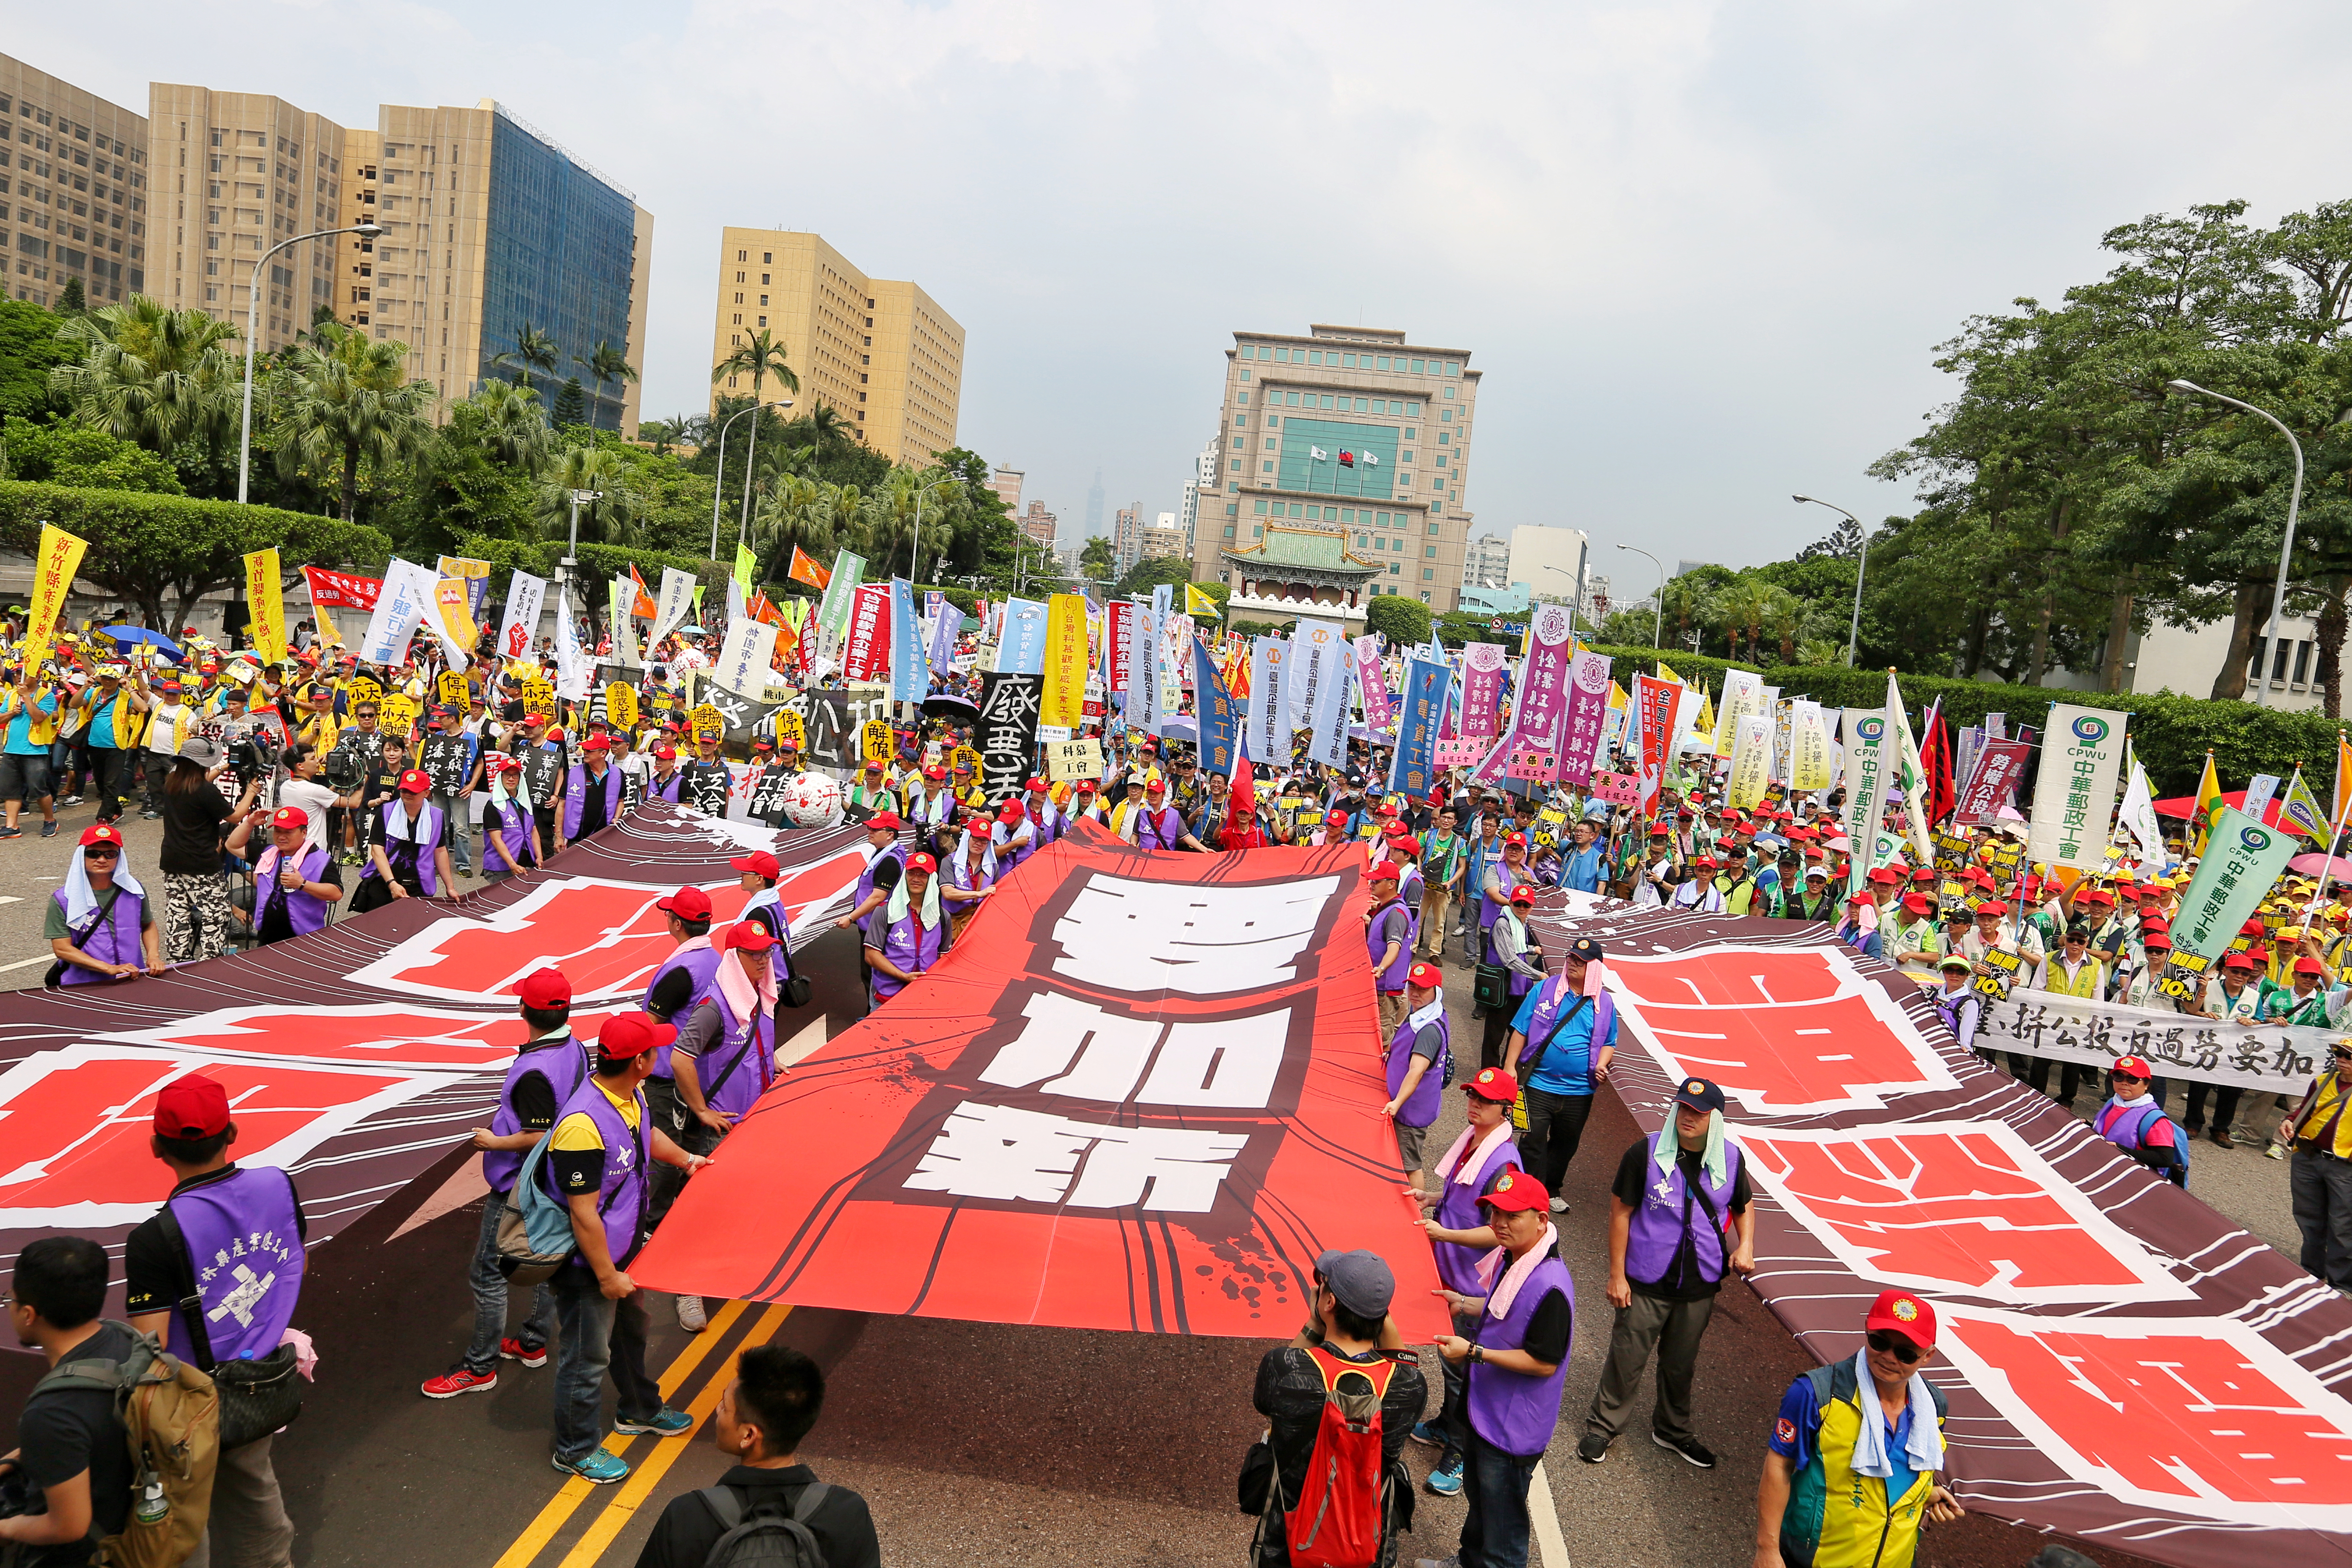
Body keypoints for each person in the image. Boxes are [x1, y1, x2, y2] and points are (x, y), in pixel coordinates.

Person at [121, 1071, 303, 1568]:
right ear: (233, 1132)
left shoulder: (156, 1237)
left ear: (157, 1146)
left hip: (190, 1404)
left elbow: (151, 1352)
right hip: (262, 1378)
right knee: (253, 1489)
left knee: (179, 1517)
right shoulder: (278, 1186)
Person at [545, 1012, 707, 1483]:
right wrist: (606, 1275)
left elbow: (646, 1136)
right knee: (585, 1356)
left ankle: (638, 1409)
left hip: (623, 1254)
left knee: (630, 1332)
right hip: (588, 1266)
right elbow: (583, 1212)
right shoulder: (581, 1124)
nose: (659, 1054)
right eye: (654, 1049)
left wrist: (688, 1159)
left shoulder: (628, 1096)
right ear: (640, 1061)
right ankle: (574, 1449)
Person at [423, 969, 588, 1399]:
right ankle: (532, 1343)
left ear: (524, 1010)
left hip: (520, 1184)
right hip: (557, 1178)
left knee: (487, 1272)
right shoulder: (575, 1046)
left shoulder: (535, 1068)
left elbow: (540, 1132)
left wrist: (494, 1141)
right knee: (548, 1261)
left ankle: (480, 1366)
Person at [1577, 1077, 1754, 1468]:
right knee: (1627, 1357)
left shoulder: (1731, 1159)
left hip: (1700, 1282)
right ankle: (1603, 1427)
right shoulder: (1644, 1153)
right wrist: (1616, 1275)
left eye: (1699, 1113)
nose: (1688, 1117)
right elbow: (1620, 1213)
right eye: (1684, 1108)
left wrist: (1747, 1245)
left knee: (1681, 1363)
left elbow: (1743, 1205)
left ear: (1716, 1119)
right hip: (1645, 1279)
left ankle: (1672, 1431)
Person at [1426, 1169, 1573, 1568]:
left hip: (1511, 1431)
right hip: (1486, 1412)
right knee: (1482, 1507)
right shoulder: (1518, 1257)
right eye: (1495, 1215)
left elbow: (1544, 1363)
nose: (1500, 1224)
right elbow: (1502, 1311)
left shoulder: (1551, 1285)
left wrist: (1474, 1352)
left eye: (1512, 1216)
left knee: (1504, 1539)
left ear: (1542, 1220)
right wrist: (1463, 1301)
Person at [1754, 1289, 1960, 1568]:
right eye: (1879, 1342)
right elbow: (1779, 1465)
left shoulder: (1934, 1407)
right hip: (1814, 1560)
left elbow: (1902, 1468)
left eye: (1905, 1353)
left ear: (1927, 1357)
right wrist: (1767, 1549)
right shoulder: (1815, 1393)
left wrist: (1924, 1495)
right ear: (1866, 1332)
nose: (1888, 1357)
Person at [630, 1344, 881, 1568]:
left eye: (725, 1406)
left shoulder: (688, 1515)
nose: (717, 1411)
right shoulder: (847, 1512)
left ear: (749, 1435)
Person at [1250, 1250, 1426, 1568]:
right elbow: (1406, 1365)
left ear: (1329, 1303)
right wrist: (1379, 1317)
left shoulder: (1285, 1367)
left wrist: (1313, 1323)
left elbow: (1267, 1399)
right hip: (1367, 1545)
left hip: (1288, 1543)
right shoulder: (1408, 1386)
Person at [1410, 1065, 1523, 1500]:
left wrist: (1445, 1233)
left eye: (1486, 1100)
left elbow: (1501, 1230)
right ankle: (1445, 1425)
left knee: (1465, 1375)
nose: (1475, 1104)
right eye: (1473, 1095)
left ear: (1505, 1108)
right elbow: (1465, 1197)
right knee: (1450, 1366)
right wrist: (1435, 1200)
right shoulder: (1473, 1142)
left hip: (1472, 1285)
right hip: (1450, 1269)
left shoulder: (1503, 1161)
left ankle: (1458, 1453)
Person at [1, 1236, 138, 1567]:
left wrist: (6, 1528)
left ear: (29, 1315)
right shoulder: (124, 1339)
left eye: (10, 1299)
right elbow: (81, 1438)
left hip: (92, 1551)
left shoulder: (51, 1412)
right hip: (136, 1516)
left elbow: (68, 1526)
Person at [1501, 936, 1616, 1216]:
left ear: (1595, 969)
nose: (1573, 963)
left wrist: (1602, 1064)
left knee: (1566, 1144)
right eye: (1572, 958)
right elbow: (1520, 1029)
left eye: (1581, 961)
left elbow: (1609, 1042)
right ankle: (1529, 1190)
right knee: (1532, 1139)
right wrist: (1509, 1067)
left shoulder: (1605, 1003)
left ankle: (1551, 1189)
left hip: (1580, 1091)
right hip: (1538, 1083)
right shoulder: (1544, 989)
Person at [158, 737, 264, 962]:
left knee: (178, 910)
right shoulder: (205, 791)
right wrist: (252, 791)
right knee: (216, 913)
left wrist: (223, 769)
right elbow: (235, 816)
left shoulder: (173, 781)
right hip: (202, 862)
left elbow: (200, 782)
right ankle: (210, 959)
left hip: (172, 858)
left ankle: (177, 958)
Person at [45, 822, 165, 984]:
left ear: (119, 857)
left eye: (110, 854)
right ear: (82, 856)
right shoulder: (63, 899)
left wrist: (153, 957)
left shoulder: (134, 890)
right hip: (83, 985)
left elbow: (148, 925)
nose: (101, 860)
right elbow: (62, 949)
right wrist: (108, 968)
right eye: (93, 854)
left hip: (132, 978)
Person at [2278, 1035, 2352, 1291]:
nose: (2342, 1060)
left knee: (2342, 1226)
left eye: (2349, 1057)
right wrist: (2290, 1119)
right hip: (2308, 1157)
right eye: (2339, 1054)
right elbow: (2305, 1111)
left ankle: (2342, 1284)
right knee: (2309, 1218)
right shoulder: (2322, 1082)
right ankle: (2312, 1272)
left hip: (2344, 1166)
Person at [226, 805, 343, 944]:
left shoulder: (320, 860)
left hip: (304, 938)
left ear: (304, 833)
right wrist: (249, 823)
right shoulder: (268, 853)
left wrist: (302, 884)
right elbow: (233, 845)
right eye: (278, 831)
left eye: (288, 832)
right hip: (267, 935)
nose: (281, 837)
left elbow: (336, 894)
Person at [1382, 962, 1451, 1196]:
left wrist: (1397, 1103)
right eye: (1412, 987)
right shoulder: (1425, 1013)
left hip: (1410, 1111)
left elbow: (1417, 1071)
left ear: (1436, 992)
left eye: (1423, 989)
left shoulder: (1429, 1029)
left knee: (1409, 1164)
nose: (1415, 993)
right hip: (1409, 1105)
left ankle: (1414, 1213)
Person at [351, 768, 456, 912]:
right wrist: (392, 883)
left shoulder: (436, 816)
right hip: (384, 884)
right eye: (404, 790)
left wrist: (450, 887)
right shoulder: (387, 811)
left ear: (426, 793)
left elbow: (440, 851)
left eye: (413, 791)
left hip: (420, 885)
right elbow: (377, 850)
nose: (407, 795)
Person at [864, 851, 948, 1004]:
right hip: (886, 996)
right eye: (912, 873)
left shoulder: (943, 917)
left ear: (932, 879)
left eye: (923, 875)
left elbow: (944, 956)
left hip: (925, 997)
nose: (916, 879)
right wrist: (903, 976)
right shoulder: (885, 911)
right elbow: (871, 955)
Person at [2093, 1054, 2188, 1187]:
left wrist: (2121, 1150)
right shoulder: (2114, 1102)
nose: (2124, 1083)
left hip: (2131, 1183)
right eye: (2118, 1077)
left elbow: (2165, 1159)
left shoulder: (2154, 1120)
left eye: (2133, 1079)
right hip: (2106, 1173)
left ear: (2146, 1085)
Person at [1479, 885, 1546, 1072]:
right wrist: (1538, 975)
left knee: (1517, 1032)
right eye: (1518, 904)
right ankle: (1489, 1072)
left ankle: (1505, 1069)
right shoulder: (1503, 923)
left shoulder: (1518, 921)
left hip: (1517, 986)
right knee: (1495, 1034)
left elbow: (1517, 946)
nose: (1522, 908)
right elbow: (1509, 959)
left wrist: (1532, 949)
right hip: (1503, 987)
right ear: (1511, 903)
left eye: (1527, 904)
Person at [0, 663, 60, 839]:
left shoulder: (46, 696)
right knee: (10, 790)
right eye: (17, 674)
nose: (19, 677)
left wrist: (27, 696)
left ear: (37, 676)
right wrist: (12, 713)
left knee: (39, 789)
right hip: (11, 749)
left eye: (24, 674)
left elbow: (39, 717)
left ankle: (50, 821)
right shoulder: (11, 695)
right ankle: (12, 826)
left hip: (35, 750)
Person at [1366, 864, 1416, 1037]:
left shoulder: (1395, 913)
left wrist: (1381, 968)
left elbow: (1394, 947)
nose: (1371, 884)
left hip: (1384, 990)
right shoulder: (1387, 907)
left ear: (1391, 884)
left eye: (1377, 881)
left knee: (1381, 1039)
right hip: (1380, 987)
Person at [557, 734, 626, 852]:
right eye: (584, 749)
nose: (585, 753)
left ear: (603, 754)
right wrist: (559, 837)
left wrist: (616, 817)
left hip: (605, 840)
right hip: (577, 840)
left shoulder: (618, 774)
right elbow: (562, 805)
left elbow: (620, 801)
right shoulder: (573, 774)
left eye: (589, 750)